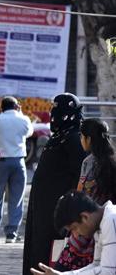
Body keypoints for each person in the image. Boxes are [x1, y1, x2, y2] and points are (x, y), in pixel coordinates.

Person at [23, 93, 87, 275]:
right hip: (42, 209)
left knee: (51, 252)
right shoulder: (59, 136)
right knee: (38, 248)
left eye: (59, 109)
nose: (55, 113)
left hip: (57, 211)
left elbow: (79, 174)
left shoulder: (75, 138)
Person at [54, 118, 116, 271]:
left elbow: (81, 194)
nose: (81, 140)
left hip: (86, 229)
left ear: (88, 138)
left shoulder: (89, 163)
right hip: (103, 226)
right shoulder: (112, 161)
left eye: (82, 137)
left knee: (64, 267)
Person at [30, 191, 116, 275]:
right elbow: (96, 265)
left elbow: (109, 271)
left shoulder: (110, 220)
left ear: (84, 217)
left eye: (74, 228)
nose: (76, 235)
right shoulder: (100, 223)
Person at [0, 96, 34, 243]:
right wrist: (20, 114)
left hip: (0, 162)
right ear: (16, 107)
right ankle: (12, 233)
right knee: (17, 197)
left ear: (2, 107)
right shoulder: (24, 119)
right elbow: (29, 133)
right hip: (19, 161)